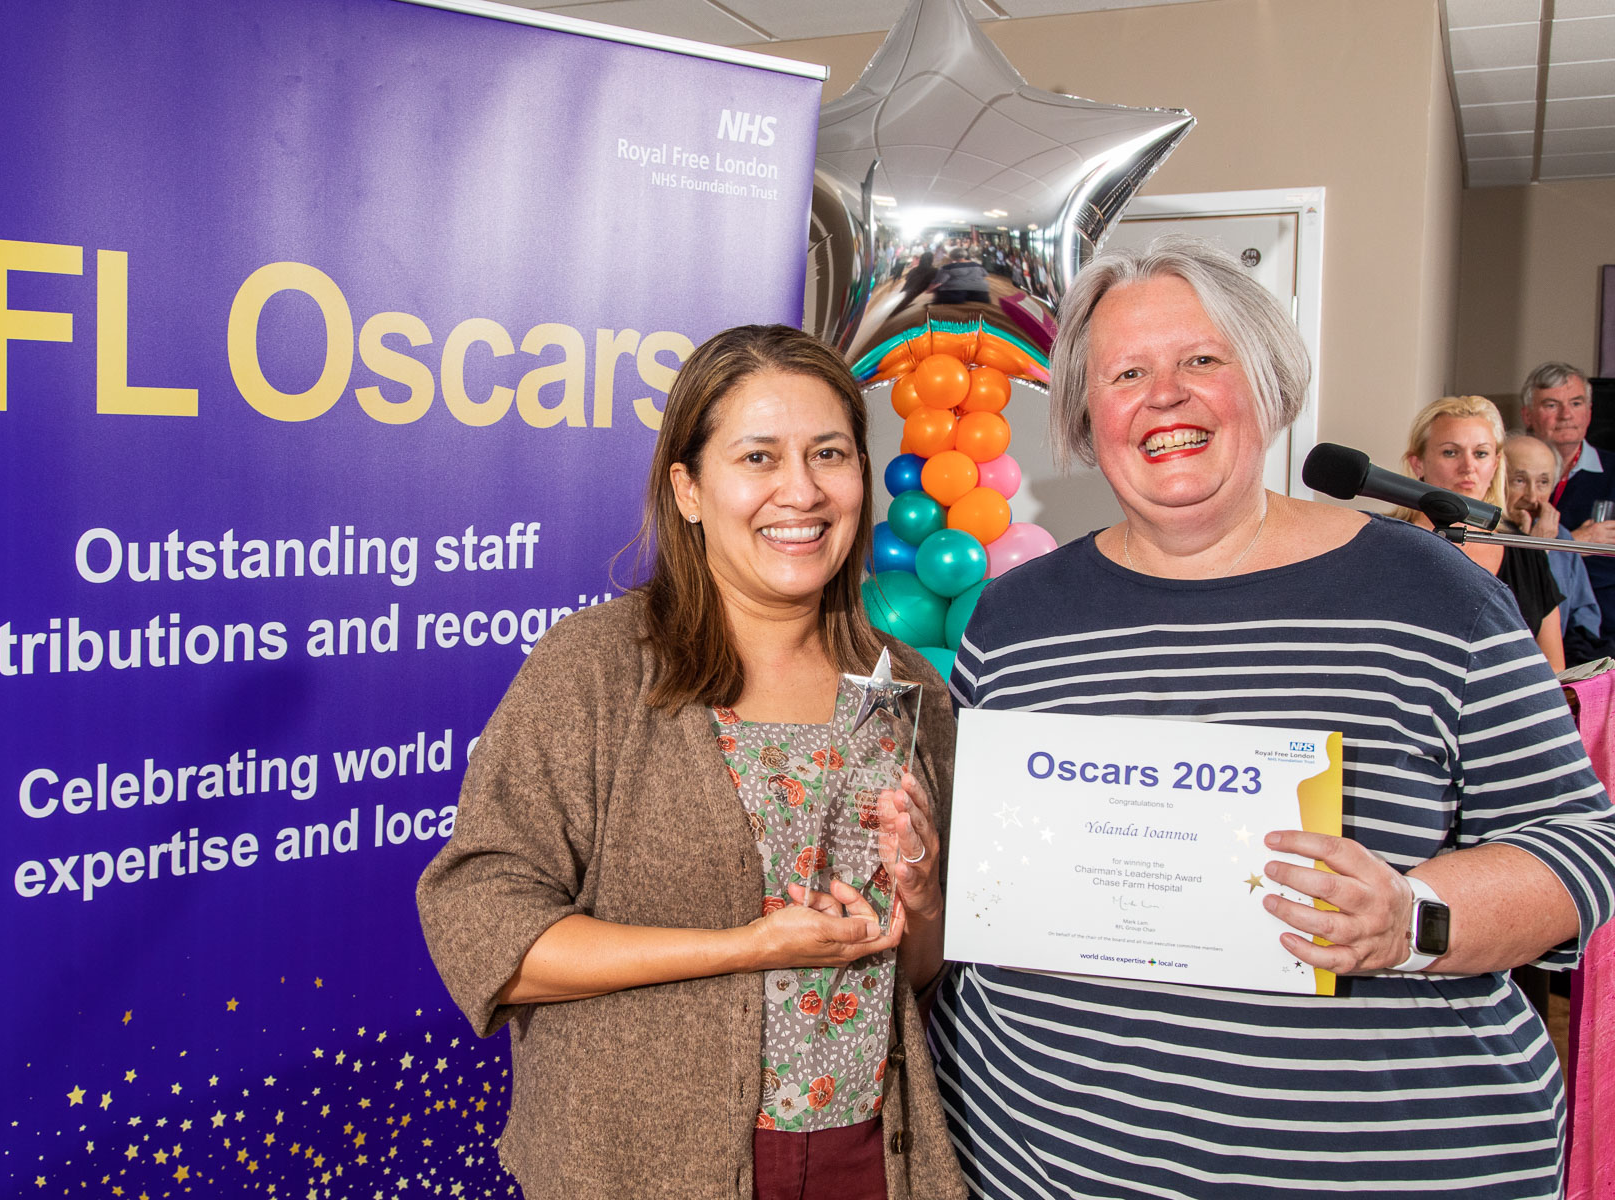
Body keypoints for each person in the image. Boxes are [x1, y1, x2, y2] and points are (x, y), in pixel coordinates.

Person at [930, 236, 1615, 1199]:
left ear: (1267, 382)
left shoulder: (1431, 595)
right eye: (1127, 372)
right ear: (1091, 414)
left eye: (1201, 360)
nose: (1164, 394)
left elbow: (1578, 845)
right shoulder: (1017, 617)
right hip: (1050, 1163)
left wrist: (1410, 918)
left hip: (1382, 1168)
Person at [417, 324, 966, 1200]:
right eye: (758, 456)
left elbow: (923, 970)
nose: (802, 490)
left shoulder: (906, 687)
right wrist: (743, 948)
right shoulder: (595, 670)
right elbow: (486, 935)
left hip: (872, 1158)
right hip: (644, 1164)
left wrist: (928, 897)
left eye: (830, 453)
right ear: (690, 489)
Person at [1391, 395, 1563, 672]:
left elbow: (1553, 670)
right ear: (1418, 463)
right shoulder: (1384, 542)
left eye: (1480, 453)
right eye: (1451, 452)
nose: (1468, 467)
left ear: (1495, 463)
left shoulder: (1523, 549)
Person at [1504, 432, 1613, 665]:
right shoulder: (1483, 537)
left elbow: (1584, 619)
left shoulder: (1559, 535)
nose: (1532, 497)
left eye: (1543, 483)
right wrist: (1535, 553)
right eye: (1519, 481)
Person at [1524, 361, 1615, 635]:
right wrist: (1574, 543)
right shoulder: (1505, 474)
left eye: (1576, 404)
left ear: (1589, 413)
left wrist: (1551, 549)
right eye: (1551, 405)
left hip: (1602, 631)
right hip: (1528, 622)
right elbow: (1505, 560)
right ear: (1528, 415)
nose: (1566, 415)